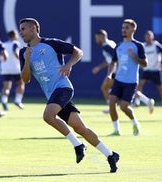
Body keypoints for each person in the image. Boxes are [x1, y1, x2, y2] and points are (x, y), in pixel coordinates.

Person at [19, 17, 119, 173]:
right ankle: (111, 154)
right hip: (52, 95)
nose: (21, 32)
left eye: (23, 29)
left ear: (33, 29)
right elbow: (26, 79)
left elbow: (77, 52)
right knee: (81, 129)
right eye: (20, 29)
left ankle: (78, 145)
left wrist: (68, 64)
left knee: (48, 116)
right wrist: (27, 60)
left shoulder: (51, 43)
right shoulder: (23, 52)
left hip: (63, 87)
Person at [107, 19, 147, 136]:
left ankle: (135, 123)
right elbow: (113, 62)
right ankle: (116, 130)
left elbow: (144, 63)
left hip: (131, 82)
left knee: (124, 107)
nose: (124, 30)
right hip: (119, 80)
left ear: (133, 29)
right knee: (111, 102)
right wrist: (109, 74)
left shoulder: (138, 46)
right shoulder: (118, 46)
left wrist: (134, 56)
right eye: (123, 28)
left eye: (127, 28)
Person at [134, 30, 162, 110]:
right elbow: (139, 57)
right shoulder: (143, 46)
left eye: (149, 36)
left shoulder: (156, 45)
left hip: (156, 70)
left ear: (152, 37)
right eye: (147, 36)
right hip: (146, 70)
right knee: (140, 84)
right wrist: (140, 64)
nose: (148, 37)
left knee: (160, 87)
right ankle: (137, 101)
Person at [92, 29, 116, 114]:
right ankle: (111, 107)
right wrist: (98, 68)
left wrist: (117, 71)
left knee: (105, 88)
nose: (96, 40)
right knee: (106, 88)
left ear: (102, 37)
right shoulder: (110, 43)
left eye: (97, 38)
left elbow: (117, 58)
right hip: (116, 70)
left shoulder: (107, 46)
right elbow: (109, 61)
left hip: (116, 71)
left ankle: (112, 108)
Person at [1, 30, 25, 111]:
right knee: (21, 84)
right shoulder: (15, 43)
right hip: (15, 68)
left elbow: (1, 56)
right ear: (14, 35)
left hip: (5, 69)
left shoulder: (3, 44)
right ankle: (18, 101)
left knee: (6, 87)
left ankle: (4, 101)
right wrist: (22, 60)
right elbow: (15, 52)